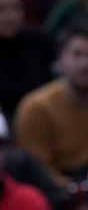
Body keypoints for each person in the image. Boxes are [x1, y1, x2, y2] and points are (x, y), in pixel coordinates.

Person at [14, 22, 88, 187]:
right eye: (77, 54)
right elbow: (36, 170)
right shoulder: (36, 107)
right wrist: (75, 189)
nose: (85, 63)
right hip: (56, 193)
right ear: (61, 58)